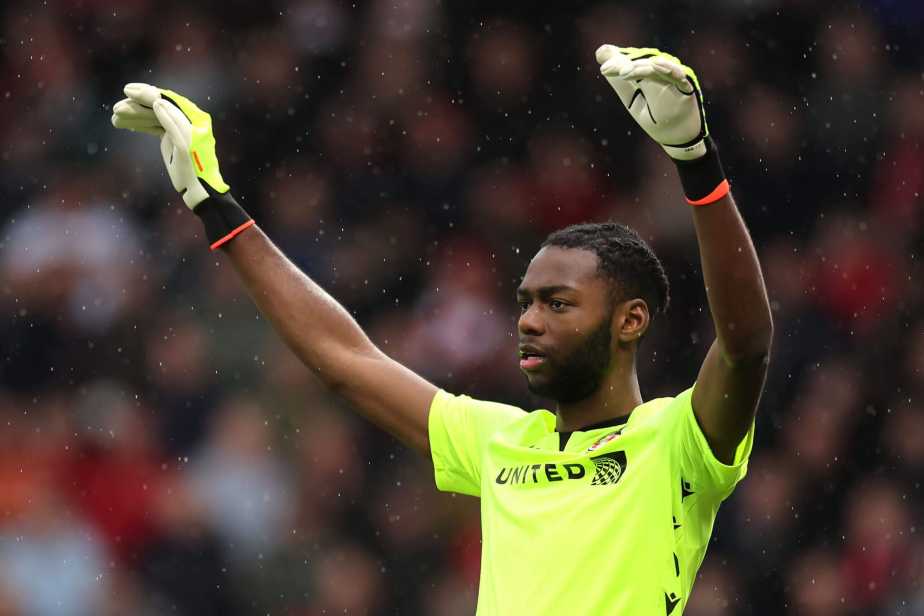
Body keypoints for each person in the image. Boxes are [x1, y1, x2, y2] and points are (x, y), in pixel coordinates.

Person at [111, 44, 773, 615]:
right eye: (524, 303)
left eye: (558, 304)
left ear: (631, 321)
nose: (530, 321)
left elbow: (745, 345)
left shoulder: (676, 442)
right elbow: (345, 358)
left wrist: (695, 162)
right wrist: (215, 205)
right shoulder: (501, 441)